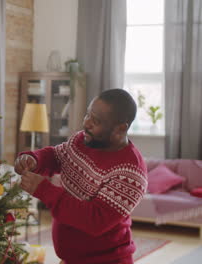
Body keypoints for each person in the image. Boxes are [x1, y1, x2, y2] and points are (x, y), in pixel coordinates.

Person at [16, 89, 148, 264]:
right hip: (71, 258)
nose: (86, 123)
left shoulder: (131, 173)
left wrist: (44, 190)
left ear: (120, 128)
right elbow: (57, 156)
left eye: (96, 120)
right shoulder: (82, 140)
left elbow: (94, 220)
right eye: (88, 114)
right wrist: (34, 159)